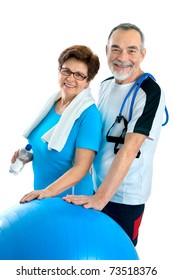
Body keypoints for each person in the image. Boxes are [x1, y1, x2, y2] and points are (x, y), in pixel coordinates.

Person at [63, 23, 166, 246]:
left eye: (132, 50)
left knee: (118, 255)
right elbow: (97, 133)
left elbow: (129, 149)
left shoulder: (149, 92)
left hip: (125, 198)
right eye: (116, 49)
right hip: (96, 187)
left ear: (143, 54)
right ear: (107, 50)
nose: (122, 57)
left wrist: (101, 198)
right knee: (91, 251)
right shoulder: (106, 85)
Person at [11, 45, 102, 202]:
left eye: (79, 75)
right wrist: (30, 156)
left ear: (88, 82)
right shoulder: (53, 103)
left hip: (70, 201)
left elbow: (82, 167)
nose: (70, 78)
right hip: (45, 197)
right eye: (66, 71)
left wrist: (47, 191)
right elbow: (54, 151)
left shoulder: (89, 115)